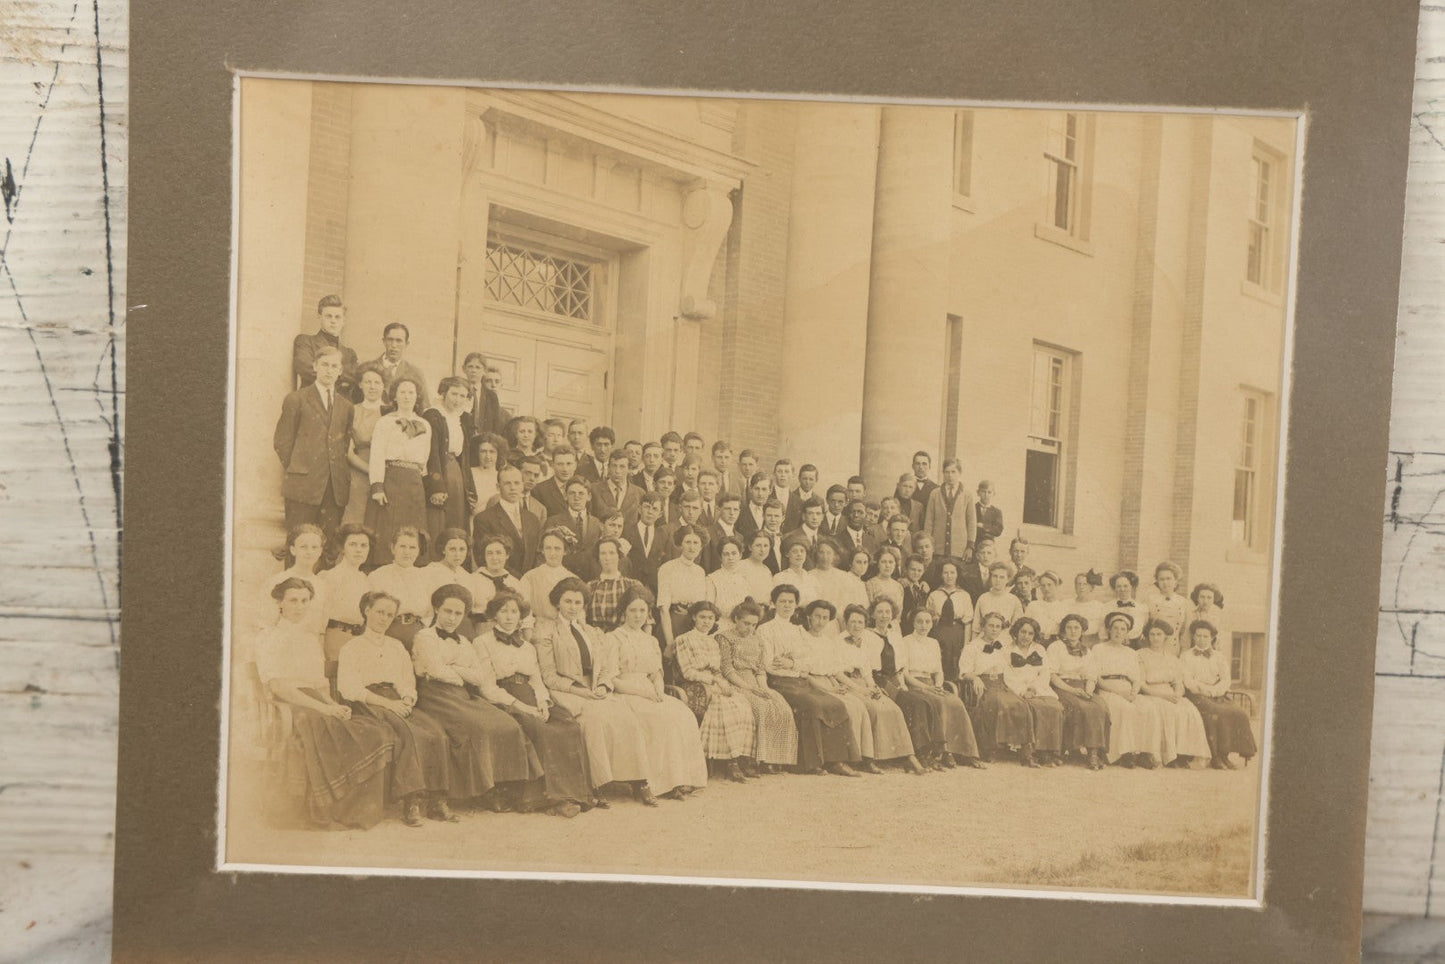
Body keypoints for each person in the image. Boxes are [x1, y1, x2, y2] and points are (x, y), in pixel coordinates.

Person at [253, 577, 393, 829]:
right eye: (293, 600)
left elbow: (319, 683)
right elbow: (278, 686)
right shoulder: (268, 637)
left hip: (316, 701)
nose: (299, 606)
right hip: (289, 704)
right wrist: (324, 708)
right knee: (329, 730)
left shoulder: (308, 638)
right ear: (279, 603)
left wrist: (333, 704)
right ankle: (323, 809)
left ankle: (350, 810)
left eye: (305, 601)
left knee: (373, 732)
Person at [409, 584, 545, 810]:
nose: (452, 618)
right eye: (447, 611)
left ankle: (501, 787)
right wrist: (461, 672)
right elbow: (435, 671)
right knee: (477, 728)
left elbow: (479, 677)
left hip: (462, 695)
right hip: (434, 697)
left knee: (507, 724)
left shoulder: (464, 641)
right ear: (436, 610)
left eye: (458, 613)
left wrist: (455, 669)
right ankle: (483, 790)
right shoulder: (425, 636)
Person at [336, 591, 453, 826]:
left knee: (437, 732)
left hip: (397, 700)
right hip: (368, 702)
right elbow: (349, 688)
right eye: (380, 612)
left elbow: (406, 679)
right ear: (367, 611)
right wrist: (388, 704)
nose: (384, 618)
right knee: (408, 734)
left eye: (390, 615)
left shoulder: (396, 646)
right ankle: (411, 801)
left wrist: (408, 698)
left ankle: (437, 800)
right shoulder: (352, 647)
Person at [473, 592, 595, 816]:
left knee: (569, 725)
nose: (509, 617)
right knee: (541, 730)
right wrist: (523, 707)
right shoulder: (482, 643)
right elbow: (487, 687)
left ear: (521, 616)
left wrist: (543, 703)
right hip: (504, 698)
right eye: (504, 611)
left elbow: (537, 679)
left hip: (531, 695)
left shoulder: (527, 646)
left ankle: (576, 794)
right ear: (494, 615)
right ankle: (551, 801)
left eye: (514, 612)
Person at [533, 578, 654, 803]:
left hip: (594, 688)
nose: (572, 607)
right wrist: (581, 692)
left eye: (578, 603)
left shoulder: (592, 631)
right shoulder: (547, 631)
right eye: (567, 601)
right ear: (557, 603)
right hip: (567, 690)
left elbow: (608, 667)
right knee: (595, 722)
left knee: (627, 718)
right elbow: (549, 676)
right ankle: (598, 783)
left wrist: (603, 685)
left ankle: (639, 781)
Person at [605, 586, 710, 800]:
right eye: (633, 611)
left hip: (651, 691)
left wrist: (659, 691)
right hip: (625, 692)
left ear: (648, 614)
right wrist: (643, 693)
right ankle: (650, 783)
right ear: (624, 612)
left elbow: (655, 673)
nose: (637, 616)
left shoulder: (650, 640)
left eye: (642, 611)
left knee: (682, 715)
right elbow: (612, 679)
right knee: (658, 720)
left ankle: (678, 780)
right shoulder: (613, 638)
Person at [758, 585, 861, 776]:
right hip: (780, 683)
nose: (787, 605)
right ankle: (810, 764)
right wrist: (794, 663)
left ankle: (836, 761)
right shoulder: (765, 630)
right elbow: (769, 664)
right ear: (774, 603)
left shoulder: (797, 631)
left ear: (796, 605)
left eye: (791, 602)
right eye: (782, 601)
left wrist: (790, 662)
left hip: (801, 681)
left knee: (835, 704)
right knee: (812, 705)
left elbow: (808, 661)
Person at [274, 346, 354, 539]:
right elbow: (282, 441)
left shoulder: (346, 406)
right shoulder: (297, 399)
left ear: (340, 371)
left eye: (334, 366)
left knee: (329, 548)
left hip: (333, 489)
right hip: (302, 487)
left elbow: (343, 445)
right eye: (324, 364)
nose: (329, 370)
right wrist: (299, 468)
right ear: (315, 366)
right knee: (299, 543)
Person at [894, 605, 986, 769]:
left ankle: (963, 752)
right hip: (915, 685)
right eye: (919, 621)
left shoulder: (934, 643)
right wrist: (926, 687)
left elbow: (938, 671)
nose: (924, 625)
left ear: (932, 624)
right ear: (913, 623)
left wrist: (937, 685)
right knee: (940, 704)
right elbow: (905, 674)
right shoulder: (905, 641)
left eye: (927, 622)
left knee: (955, 702)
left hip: (933, 684)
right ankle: (944, 752)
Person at [836, 605, 925, 773]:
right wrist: (860, 689)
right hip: (848, 684)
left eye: (860, 622)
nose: (856, 626)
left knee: (893, 709)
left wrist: (873, 687)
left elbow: (867, 671)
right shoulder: (839, 641)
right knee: (873, 709)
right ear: (846, 623)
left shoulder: (864, 643)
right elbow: (838, 673)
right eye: (853, 622)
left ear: (865, 624)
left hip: (864, 683)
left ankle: (907, 756)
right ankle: (869, 759)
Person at [674, 601, 758, 781]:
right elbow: (687, 672)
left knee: (741, 702)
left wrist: (721, 682)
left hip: (714, 682)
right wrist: (712, 680)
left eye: (710, 618)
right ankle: (730, 763)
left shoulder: (713, 642)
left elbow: (718, 670)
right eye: (702, 617)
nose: (706, 622)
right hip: (695, 685)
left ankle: (739, 757)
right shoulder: (684, 639)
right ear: (694, 617)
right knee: (723, 706)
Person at [717, 599, 799, 773]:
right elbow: (727, 669)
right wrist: (749, 688)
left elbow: (761, 669)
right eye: (746, 623)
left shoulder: (758, 640)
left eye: (754, 625)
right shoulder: (724, 637)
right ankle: (753, 760)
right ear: (736, 619)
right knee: (760, 709)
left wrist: (764, 688)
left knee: (781, 706)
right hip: (736, 683)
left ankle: (773, 759)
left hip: (756, 682)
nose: (750, 629)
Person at [800, 600, 879, 772]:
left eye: (825, 618)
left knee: (859, 706)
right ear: (809, 618)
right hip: (812, 683)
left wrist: (837, 686)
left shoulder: (828, 642)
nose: (820, 622)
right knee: (846, 707)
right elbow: (805, 674)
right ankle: (843, 759)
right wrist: (830, 689)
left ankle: (864, 757)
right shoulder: (802, 638)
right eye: (817, 617)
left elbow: (834, 670)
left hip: (830, 681)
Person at [364, 376, 429, 565]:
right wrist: (377, 486)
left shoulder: (425, 425)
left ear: (417, 396)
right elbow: (377, 454)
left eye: (411, 392)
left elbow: (424, 457)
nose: (407, 397)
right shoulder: (385, 422)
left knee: (412, 529)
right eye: (402, 392)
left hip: (414, 483)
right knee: (388, 528)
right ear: (395, 396)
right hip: (391, 479)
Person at [958, 610, 1035, 763]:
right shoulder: (972, 647)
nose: (994, 629)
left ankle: (1026, 752)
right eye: (991, 625)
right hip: (983, 684)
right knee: (994, 703)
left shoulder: (1003, 647)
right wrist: (974, 678)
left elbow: (1010, 670)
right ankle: (990, 749)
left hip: (1002, 683)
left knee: (1021, 704)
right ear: (983, 627)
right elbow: (964, 672)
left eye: (998, 626)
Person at [1092, 611, 1165, 768]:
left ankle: (1145, 752)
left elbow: (1136, 678)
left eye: (1123, 629)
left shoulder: (1131, 653)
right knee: (1125, 709)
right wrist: (1119, 692)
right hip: (1108, 689)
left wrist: (1133, 692)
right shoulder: (1099, 649)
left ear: (1127, 633)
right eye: (1115, 628)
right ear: (1109, 630)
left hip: (1129, 690)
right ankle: (1125, 753)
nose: (1118, 632)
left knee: (1149, 708)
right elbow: (1097, 678)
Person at [1135, 618, 1212, 768]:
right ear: (1147, 636)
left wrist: (1177, 694)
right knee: (1165, 710)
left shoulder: (1172, 658)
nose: (1156, 638)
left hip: (1170, 693)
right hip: (1150, 694)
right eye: (1152, 634)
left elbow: (1178, 682)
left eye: (1159, 634)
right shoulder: (1140, 654)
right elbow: (1141, 684)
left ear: (1165, 637)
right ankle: (1165, 756)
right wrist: (1163, 696)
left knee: (1189, 711)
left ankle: (1182, 753)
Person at [1181, 619, 1257, 769]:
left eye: (1205, 636)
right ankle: (1215, 756)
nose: (1202, 639)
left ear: (1212, 638)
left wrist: (1215, 691)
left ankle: (1225, 755)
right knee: (1216, 713)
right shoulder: (1186, 656)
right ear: (1193, 637)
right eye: (1198, 636)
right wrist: (1204, 690)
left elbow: (1226, 679)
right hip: (1196, 695)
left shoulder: (1219, 657)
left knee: (1238, 712)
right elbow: (1188, 680)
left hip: (1217, 694)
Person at [1046, 613, 1109, 769]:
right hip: (1062, 686)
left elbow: (1091, 675)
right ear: (1063, 630)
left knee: (1099, 706)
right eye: (1069, 627)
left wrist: (1088, 691)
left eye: (1076, 628)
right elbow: (1052, 675)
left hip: (1082, 687)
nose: (1073, 631)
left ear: (1082, 631)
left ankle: (1093, 752)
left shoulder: (1086, 651)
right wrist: (1073, 691)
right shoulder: (1056, 647)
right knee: (1078, 707)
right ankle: (1070, 749)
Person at [1000, 617, 1064, 767]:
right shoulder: (1006, 650)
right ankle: (1030, 751)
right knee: (1033, 708)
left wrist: (1034, 688)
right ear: (1016, 632)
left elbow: (1045, 672)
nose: (1026, 636)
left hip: (1039, 688)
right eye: (1023, 632)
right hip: (1018, 689)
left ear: (1034, 635)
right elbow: (1007, 675)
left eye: (1030, 633)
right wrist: (1023, 691)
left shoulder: (1039, 649)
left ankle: (1047, 752)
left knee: (1053, 707)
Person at [317, 523, 375, 682]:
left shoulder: (365, 580)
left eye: (364, 545)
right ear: (343, 548)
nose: (359, 550)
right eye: (353, 544)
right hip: (335, 637)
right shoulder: (329, 577)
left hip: (358, 639)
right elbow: (320, 619)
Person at [422, 376, 476, 541]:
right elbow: (432, 453)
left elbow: (464, 458)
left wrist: (470, 489)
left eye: (462, 396)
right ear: (444, 393)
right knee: (438, 519)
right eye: (454, 394)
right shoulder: (434, 415)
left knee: (457, 519)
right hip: (440, 471)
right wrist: (436, 486)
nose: (458, 400)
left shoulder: (463, 419)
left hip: (456, 475)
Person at [366, 526, 435, 650]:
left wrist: (424, 631)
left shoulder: (426, 577)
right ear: (393, 548)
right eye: (402, 546)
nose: (407, 552)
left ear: (418, 550)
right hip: (389, 631)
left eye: (412, 547)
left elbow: (430, 613)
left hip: (419, 633)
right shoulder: (378, 575)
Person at [656, 524, 709, 675]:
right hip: (672, 623)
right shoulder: (668, 568)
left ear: (701, 546)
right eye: (688, 542)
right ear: (681, 544)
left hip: (691, 626)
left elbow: (700, 604)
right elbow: (663, 608)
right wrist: (670, 642)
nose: (692, 547)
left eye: (696, 543)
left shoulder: (700, 572)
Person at [472, 463, 542, 577]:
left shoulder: (532, 519)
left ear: (522, 486)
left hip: (528, 581)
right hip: (500, 580)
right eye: (507, 483)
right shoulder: (484, 519)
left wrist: (529, 579)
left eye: (517, 483)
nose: (513, 488)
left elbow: (537, 554)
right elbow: (482, 557)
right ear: (498, 487)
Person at [261, 524, 329, 640]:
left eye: (314, 547)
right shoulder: (277, 580)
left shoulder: (322, 585)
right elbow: (266, 624)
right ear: (293, 550)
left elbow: (320, 629)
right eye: (303, 547)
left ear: (320, 551)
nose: (309, 552)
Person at [342, 364, 388, 526]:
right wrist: (371, 471)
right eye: (368, 382)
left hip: (387, 472)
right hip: (359, 472)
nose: (373, 387)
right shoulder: (352, 411)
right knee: (357, 519)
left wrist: (379, 474)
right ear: (360, 385)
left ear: (383, 385)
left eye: (377, 382)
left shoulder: (391, 412)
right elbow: (348, 452)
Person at [424, 528, 491, 634]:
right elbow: (426, 608)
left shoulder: (467, 577)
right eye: (452, 549)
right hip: (436, 625)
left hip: (462, 627)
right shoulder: (430, 571)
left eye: (462, 549)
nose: (457, 554)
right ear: (443, 549)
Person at [292, 294, 359, 395]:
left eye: (337, 317)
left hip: (340, 407)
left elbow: (357, 376)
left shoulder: (349, 353)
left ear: (343, 321)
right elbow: (305, 368)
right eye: (328, 316)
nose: (333, 321)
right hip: (312, 402)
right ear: (319, 317)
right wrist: (342, 376)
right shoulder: (306, 342)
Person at [926, 558, 973, 686]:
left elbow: (968, 622)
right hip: (939, 633)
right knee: (940, 661)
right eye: (945, 573)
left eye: (952, 572)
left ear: (957, 574)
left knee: (956, 662)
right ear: (941, 575)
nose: (949, 576)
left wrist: (966, 643)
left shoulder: (964, 595)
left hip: (957, 633)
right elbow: (928, 618)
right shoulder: (934, 595)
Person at [364, 322, 430, 411]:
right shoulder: (368, 368)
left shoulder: (415, 373)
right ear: (384, 341)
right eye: (390, 340)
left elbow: (424, 406)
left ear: (406, 344)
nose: (394, 345)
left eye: (399, 341)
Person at [519, 527, 580, 623]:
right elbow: (524, 613)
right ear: (542, 550)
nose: (552, 553)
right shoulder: (529, 577)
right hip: (539, 629)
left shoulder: (574, 579)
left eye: (557, 549)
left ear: (565, 551)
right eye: (548, 548)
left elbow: (578, 615)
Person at [923, 457, 975, 563]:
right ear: (943, 473)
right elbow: (929, 521)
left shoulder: (967, 495)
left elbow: (971, 522)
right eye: (947, 472)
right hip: (937, 548)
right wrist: (928, 545)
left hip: (959, 549)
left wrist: (970, 547)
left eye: (953, 472)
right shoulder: (935, 493)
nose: (950, 475)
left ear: (959, 473)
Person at [585, 537, 646, 629]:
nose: (607, 557)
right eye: (603, 553)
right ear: (598, 557)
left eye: (612, 553)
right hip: (597, 639)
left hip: (625, 639)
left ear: (619, 555)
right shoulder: (590, 587)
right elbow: (581, 619)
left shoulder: (633, 585)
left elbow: (647, 621)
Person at [811, 539, 869, 629]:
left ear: (834, 555)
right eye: (821, 552)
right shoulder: (810, 575)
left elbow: (847, 603)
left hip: (837, 623)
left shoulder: (843, 576)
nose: (825, 557)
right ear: (816, 554)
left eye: (829, 553)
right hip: (816, 622)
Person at [545, 477, 603, 561]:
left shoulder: (597, 523)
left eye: (581, 493)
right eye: (572, 493)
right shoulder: (554, 521)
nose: (576, 498)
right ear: (565, 496)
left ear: (589, 497)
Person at [704, 536, 753, 634]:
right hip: (720, 628)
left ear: (740, 555)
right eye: (726, 554)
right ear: (720, 557)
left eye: (734, 553)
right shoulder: (712, 579)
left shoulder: (744, 579)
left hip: (742, 629)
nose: (730, 558)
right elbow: (709, 609)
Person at [626, 492, 671, 593]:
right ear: (639, 509)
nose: (650, 512)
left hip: (654, 589)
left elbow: (666, 564)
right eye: (647, 507)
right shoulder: (627, 531)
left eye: (655, 509)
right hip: (631, 586)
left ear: (660, 514)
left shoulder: (663, 535)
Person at [1145, 561, 1191, 655]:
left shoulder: (1183, 602)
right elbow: (1145, 628)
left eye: (1169, 578)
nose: (1165, 582)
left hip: (1174, 649)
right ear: (1157, 581)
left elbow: (1186, 632)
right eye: (1161, 579)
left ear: (1175, 581)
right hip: (1154, 649)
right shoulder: (1150, 600)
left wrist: (1183, 653)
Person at [973, 562, 1023, 635]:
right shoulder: (983, 598)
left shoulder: (1014, 600)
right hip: (984, 640)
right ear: (990, 577)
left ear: (1008, 579)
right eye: (995, 576)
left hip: (1006, 641)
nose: (998, 580)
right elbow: (976, 628)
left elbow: (1017, 628)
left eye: (1002, 577)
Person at [461, 351, 504, 436]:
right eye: (470, 367)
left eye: (478, 367)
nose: (473, 370)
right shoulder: (458, 392)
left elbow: (496, 425)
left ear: (484, 371)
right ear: (464, 369)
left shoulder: (491, 396)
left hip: (483, 442)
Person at [530, 446, 579, 519]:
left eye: (569, 464)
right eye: (560, 464)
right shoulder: (539, 490)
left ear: (575, 465)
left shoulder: (583, 488)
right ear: (553, 465)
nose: (565, 469)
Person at [592, 452, 643, 522]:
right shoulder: (594, 489)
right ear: (608, 467)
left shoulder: (639, 493)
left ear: (629, 469)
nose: (617, 471)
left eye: (622, 466)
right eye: (614, 466)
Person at [772, 536, 820, 608]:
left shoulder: (812, 578)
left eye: (802, 551)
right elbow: (775, 604)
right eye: (795, 551)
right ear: (787, 554)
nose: (799, 554)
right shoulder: (780, 578)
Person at [1188, 582, 1230, 662]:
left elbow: (1221, 639)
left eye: (1209, 597)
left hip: (1212, 654)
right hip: (1194, 652)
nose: (1205, 601)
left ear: (1214, 599)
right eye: (1202, 597)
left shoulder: (1219, 615)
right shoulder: (1191, 614)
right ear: (1197, 598)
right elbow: (1187, 637)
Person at [738, 531, 778, 609]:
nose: (762, 550)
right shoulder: (741, 566)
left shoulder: (766, 570)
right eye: (758, 545)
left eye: (766, 546)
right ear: (750, 547)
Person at [1105, 570, 1146, 645]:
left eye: (1125, 586)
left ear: (1132, 587)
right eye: (1119, 586)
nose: (1122, 589)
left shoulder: (1140, 607)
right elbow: (1104, 629)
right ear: (1115, 588)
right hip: (1112, 644)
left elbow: (1138, 628)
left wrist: (1126, 636)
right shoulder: (1107, 606)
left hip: (1133, 644)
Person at [1025, 570, 1068, 642]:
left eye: (1049, 585)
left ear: (1056, 586)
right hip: (1035, 642)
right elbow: (1025, 627)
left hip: (1056, 643)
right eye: (1043, 585)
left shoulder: (1064, 607)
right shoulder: (1033, 605)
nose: (1046, 588)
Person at [1070, 571, 1108, 644]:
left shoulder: (1099, 606)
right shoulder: (1067, 604)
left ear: (1091, 587)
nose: (1081, 587)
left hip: (1091, 642)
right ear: (1075, 587)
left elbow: (1102, 631)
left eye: (1085, 584)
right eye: (1079, 584)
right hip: (1070, 642)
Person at [974, 479, 1003, 546]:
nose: (986, 495)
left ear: (994, 494)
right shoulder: (972, 508)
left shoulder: (996, 512)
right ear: (978, 492)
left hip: (988, 544)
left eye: (989, 492)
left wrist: (983, 526)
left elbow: (998, 530)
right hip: (974, 543)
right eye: (983, 492)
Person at [909, 451, 939, 517]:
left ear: (929, 466)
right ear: (913, 466)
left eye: (924, 464)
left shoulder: (936, 488)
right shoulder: (904, 486)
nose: (921, 467)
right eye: (917, 464)